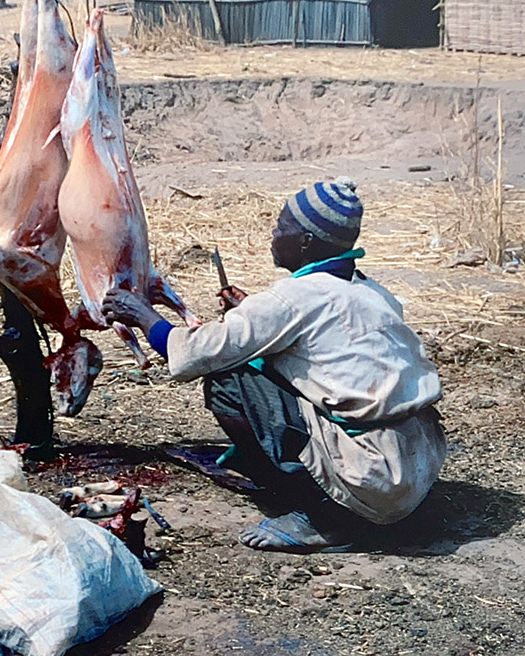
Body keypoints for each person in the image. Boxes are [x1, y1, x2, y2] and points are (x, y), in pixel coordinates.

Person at [103, 177, 446, 554]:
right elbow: (322, 345)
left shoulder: (293, 299)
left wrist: (142, 314)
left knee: (228, 379)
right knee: (259, 367)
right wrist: (253, 315)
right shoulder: (371, 290)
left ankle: (324, 517)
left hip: (373, 479)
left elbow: (199, 352)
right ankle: (333, 496)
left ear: (306, 242)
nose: (274, 232)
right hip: (417, 466)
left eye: (283, 225)